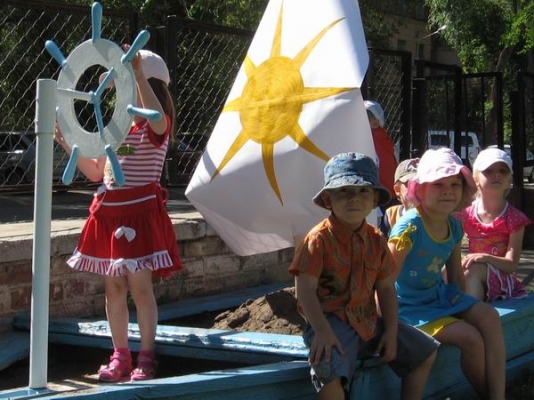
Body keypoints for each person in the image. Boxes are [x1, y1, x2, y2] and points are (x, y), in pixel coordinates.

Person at [54, 48, 182, 382]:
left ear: (149, 85)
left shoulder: (155, 127)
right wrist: (69, 145)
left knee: (140, 288)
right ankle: (120, 355)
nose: (119, 94)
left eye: (126, 85)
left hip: (138, 217)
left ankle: (147, 356)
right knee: (112, 287)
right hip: (110, 215)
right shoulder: (117, 130)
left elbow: (156, 116)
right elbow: (98, 172)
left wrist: (137, 74)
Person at [289, 152, 439, 400]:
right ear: (328, 199)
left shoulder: (376, 239)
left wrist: (391, 331)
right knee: (327, 371)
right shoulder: (318, 240)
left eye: (363, 191)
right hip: (330, 323)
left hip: (369, 321)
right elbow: (304, 291)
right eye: (344, 191)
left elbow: (386, 288)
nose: (354, 199)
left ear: (374, 199)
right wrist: (322, 331)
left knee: (425, 351)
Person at [388, 148, 506, 400]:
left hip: (438, 296)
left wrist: (465, 307)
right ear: (420, 189)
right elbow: (384, 281)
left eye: (455, 184)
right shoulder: (409, 228)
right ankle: (487, 395)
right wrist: (387, 326)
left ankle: (499, 395)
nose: (448, 191)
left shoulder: (453, 225)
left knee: (489, 316)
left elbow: (455, 275)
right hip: (408, 307)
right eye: (438, 184)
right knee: (470, 338)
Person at [457, 147, 532, 301]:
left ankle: (472, 312)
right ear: (476, 178)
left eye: (502, 171)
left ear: (509, 180)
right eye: (489, 170)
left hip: (503, 282)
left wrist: (485, 258)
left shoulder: (515, 218)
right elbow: (453, 251)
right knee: (447, 272)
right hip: (473, 273)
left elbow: (511, 265)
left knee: (474, 270)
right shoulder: (465, 214)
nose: (496, 174)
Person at [364, 100, 398, 201]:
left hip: (387, 183)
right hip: (380, 185)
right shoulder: (369, 136)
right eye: (369, 118)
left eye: (375, 117)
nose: (374, 120)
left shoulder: (381, 134)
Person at [380, 158, 419, 236]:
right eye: (409, 184)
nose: (416, 188)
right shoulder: (391, 215)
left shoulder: (435, 215)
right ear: (397, 189)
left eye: (422, 183)